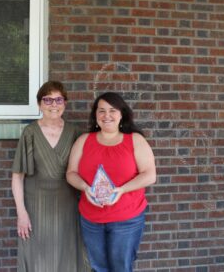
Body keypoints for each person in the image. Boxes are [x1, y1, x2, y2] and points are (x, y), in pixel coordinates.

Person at [66, 92, 157, 272]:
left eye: (112, 110)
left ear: (122, 114)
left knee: (120, 267)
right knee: (98, 267)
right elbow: (71, 173)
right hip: (91, 218)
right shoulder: (84, 141)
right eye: (101, 111)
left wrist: (121, 190)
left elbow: (149, 175)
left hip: (127, 218)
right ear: (95, 115)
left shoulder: (135, 140)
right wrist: (85, 187)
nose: (106, 115)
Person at [11, 81, 89, 272]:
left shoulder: (76, 133)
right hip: (36, 207)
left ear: (65, 103)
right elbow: (17, 177)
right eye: (47, 100)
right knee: (37, 258)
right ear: (39, 104)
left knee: (69, 257)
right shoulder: (30, 133)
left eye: (58, 99)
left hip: (68, 206)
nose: (53, 104)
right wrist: (21, 213)